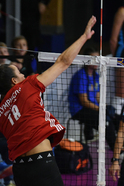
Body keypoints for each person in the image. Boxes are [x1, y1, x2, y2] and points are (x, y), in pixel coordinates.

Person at [0, 16, 96, 186]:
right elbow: (63, 61)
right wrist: (84, 37)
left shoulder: (1, 112)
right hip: (40, 164)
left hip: (19, 170)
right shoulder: (27, 85)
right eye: (18, 72)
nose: (23, 73)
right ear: (14, 81)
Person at [68, 47, 116, 150]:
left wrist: (105, 106)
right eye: (94, 58)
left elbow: (97, 97)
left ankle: (123, 146)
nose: (97, 61)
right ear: (86, 60)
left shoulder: (96, 76)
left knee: (115, 116)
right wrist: (101, 109)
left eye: (98, 58)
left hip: (92, 108)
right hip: (79, 110)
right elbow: (84, 101)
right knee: (104, 120)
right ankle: (116, 151)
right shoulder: (81, 76)